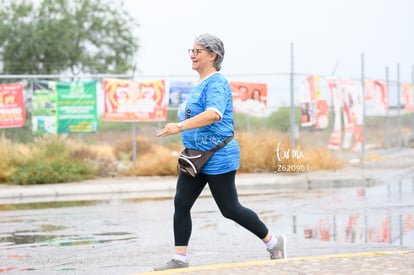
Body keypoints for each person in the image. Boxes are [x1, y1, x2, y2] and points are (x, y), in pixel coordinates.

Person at [155, 33, 286, 271]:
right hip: (195, 156)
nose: (192, 55)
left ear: (212, 55)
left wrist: (180, 126)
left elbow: (214, 113)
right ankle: (179, 258)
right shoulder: (198, 84)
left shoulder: (216, 82)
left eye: (197, 51)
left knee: (230, 209)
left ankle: (274, 242)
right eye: (191, 51)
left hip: (218, 155)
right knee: (181, 203)